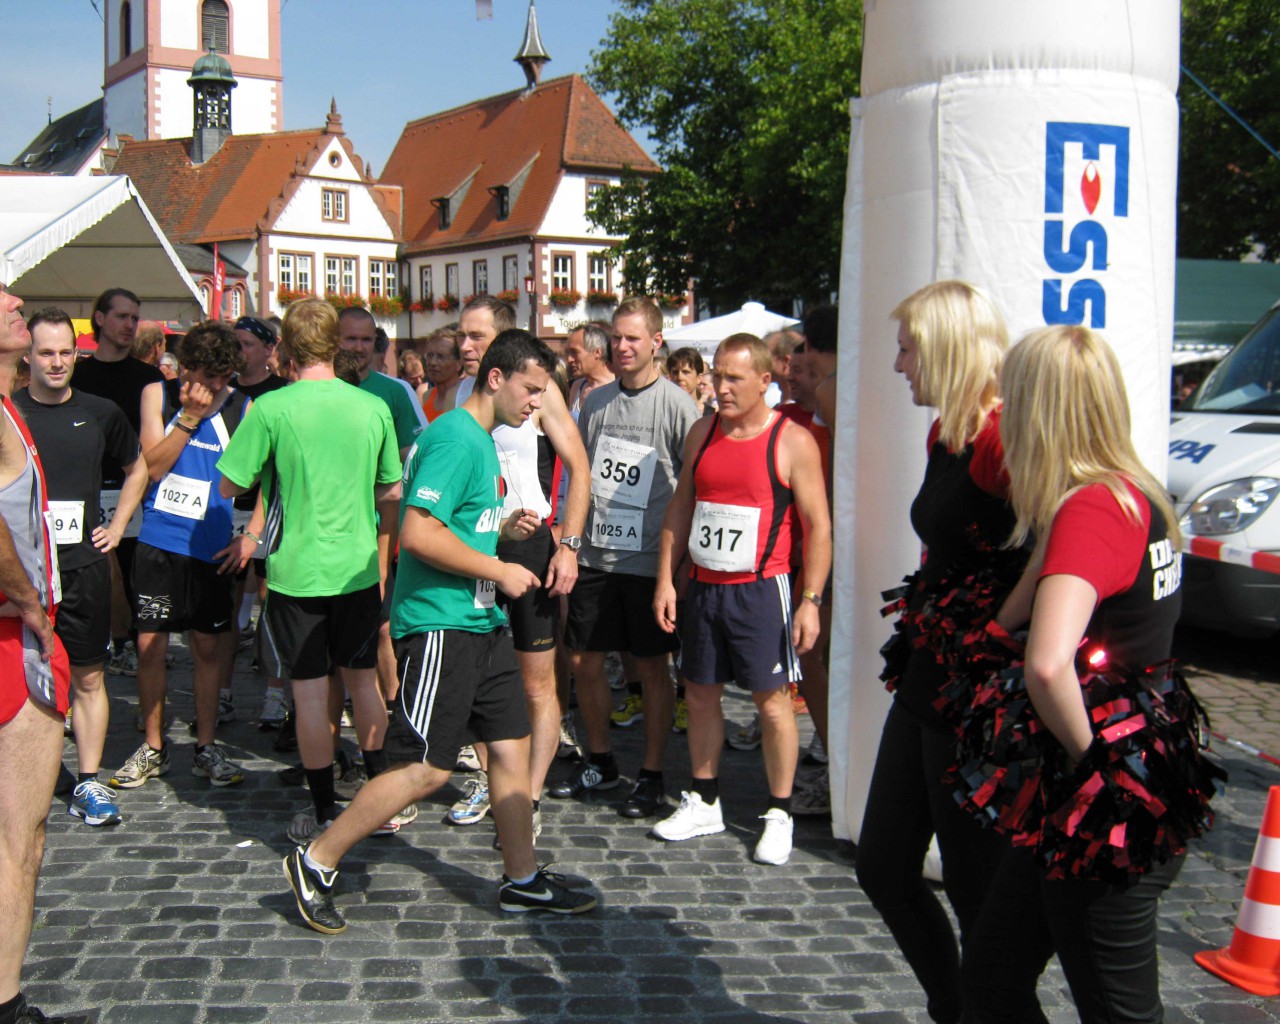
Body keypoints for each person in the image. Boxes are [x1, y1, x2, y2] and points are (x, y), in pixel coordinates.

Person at [281, 331, 598, 934]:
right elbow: (418, 534)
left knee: (511, 747)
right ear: (497, 379)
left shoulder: (480, 440)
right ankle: (317, 857)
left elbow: (455, 526)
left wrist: (499, 531)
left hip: (482, 623)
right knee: (429, 769)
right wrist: (498, 567)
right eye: (531, 390)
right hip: (440, 625)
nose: (538, 403)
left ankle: (523, 881)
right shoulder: (455, 437)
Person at [958, 325, 1218, 1023]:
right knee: (989, 980)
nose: (1002, 416)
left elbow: (1047, 663)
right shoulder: (1133, 491)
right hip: (1103, 785)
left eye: (1012, 399)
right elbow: (1027, 603)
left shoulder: (1092, 507)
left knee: (1118, 1011)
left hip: (1107, 803)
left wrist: (1097, 769)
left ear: (1040, 409)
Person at [854, 281, 1019, 1024]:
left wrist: (999, 638)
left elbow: (1056, 555)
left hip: (976, 694)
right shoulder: (948, 431)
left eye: (907, 348)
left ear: (947, 348)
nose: (898, 365)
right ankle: (954, 1007)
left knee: (976, 888)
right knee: (884, 865)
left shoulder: (1000, 440)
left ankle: (987, 1010)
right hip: (928, 677)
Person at [219, 298, 403, 840]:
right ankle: (381, 801)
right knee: (364, 682)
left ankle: (325, 808)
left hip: (297, 570)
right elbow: (390, 488)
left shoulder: (272, 409)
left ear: (287, 350)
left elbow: (230, 483)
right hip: (358, 567)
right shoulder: (371, 407)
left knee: (308, 693)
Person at [652, 333, 831, 864]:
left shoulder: (790, 440)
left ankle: (779, 811)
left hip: (762, 588)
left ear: (764, 382)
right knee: (700, 692)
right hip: (705, 587)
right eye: (717, 375)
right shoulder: (702, 433)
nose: (720, 387)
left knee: (772, 703)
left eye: (733, 378)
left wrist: (811, 599)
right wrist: (666, 577)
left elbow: (818, 527)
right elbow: (681, 506)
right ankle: (705, 799)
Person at [550, 297, 699, 819]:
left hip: (647, 563)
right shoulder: (596, 403)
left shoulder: (679, 406)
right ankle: (601, 759)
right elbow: (581, 477)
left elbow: (693, 488)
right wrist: (569, 542)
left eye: (633, 338)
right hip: (596, 554)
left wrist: (677, 567)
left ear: (657, 342)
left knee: (652, 667)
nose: (623, 346)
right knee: (583, 661)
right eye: (616, 337)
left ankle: (653, 774)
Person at [14, 308, 149, 827]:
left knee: (90, 678)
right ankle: (37, 771)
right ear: (28, 356)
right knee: (29, 680)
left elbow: (137, 468)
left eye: (65, 352)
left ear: (78, 353)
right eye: (45, 353)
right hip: (23, 573)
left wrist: (116, 528)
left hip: (83, 567)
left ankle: (89, 781)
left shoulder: (101, 412)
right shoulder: (10, 413)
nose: (56, 362)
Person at [108, 322, 249, 790]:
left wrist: (249, 536)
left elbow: (266, 478)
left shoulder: (242, 406)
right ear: (184, 367)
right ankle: (153, 746)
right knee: (150, 645)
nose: (211, 388)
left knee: (208, 647)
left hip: (210, 546)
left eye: (220, 378)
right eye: (204, 376)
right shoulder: (158, 394)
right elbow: (150, 468)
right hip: (160, 540)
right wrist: (188, 418)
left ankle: (206, 745)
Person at [0, 282, 72, 1024]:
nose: (14, 300)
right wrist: (28, 602)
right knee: (20, 835)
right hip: (12, 635)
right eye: (0, 300)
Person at [72, 288, 164, 678]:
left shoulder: (149, 377)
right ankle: (100, 646)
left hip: (133, 487)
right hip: (84, 487)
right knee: (87, 575)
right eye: (122, 316)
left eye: (134, 318)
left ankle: (136, 648)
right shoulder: (78, 373)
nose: (130, 325)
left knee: (132, 574)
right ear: (99, 319)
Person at [228, 316, 290, 729]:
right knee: (229, 597)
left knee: (271, 600)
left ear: (270, 349)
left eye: (249, 343)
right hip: (228, 506)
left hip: (269, 506)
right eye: (237, 343)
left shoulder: (280, 393)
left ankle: (274, 693)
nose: (241, 351)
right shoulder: (226, 392)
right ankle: (224, 691)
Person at [565, 322, 614, 416]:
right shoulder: (577, 387)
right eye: (568, 353)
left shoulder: (615, 387)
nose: (569, 359)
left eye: (575, 352)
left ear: (597, 352)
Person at [421, 327, 465, 422]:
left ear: (459, 363)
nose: (432, 362)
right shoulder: (426, 397)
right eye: (430, 355)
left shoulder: (465, 397)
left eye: (441, 357)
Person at [668, 347, 712, 416]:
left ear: (699, 378)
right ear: (670, 376)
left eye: (686, 372)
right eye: (675, 372)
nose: (680, 377)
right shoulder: (664, 412)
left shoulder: (712, 416)